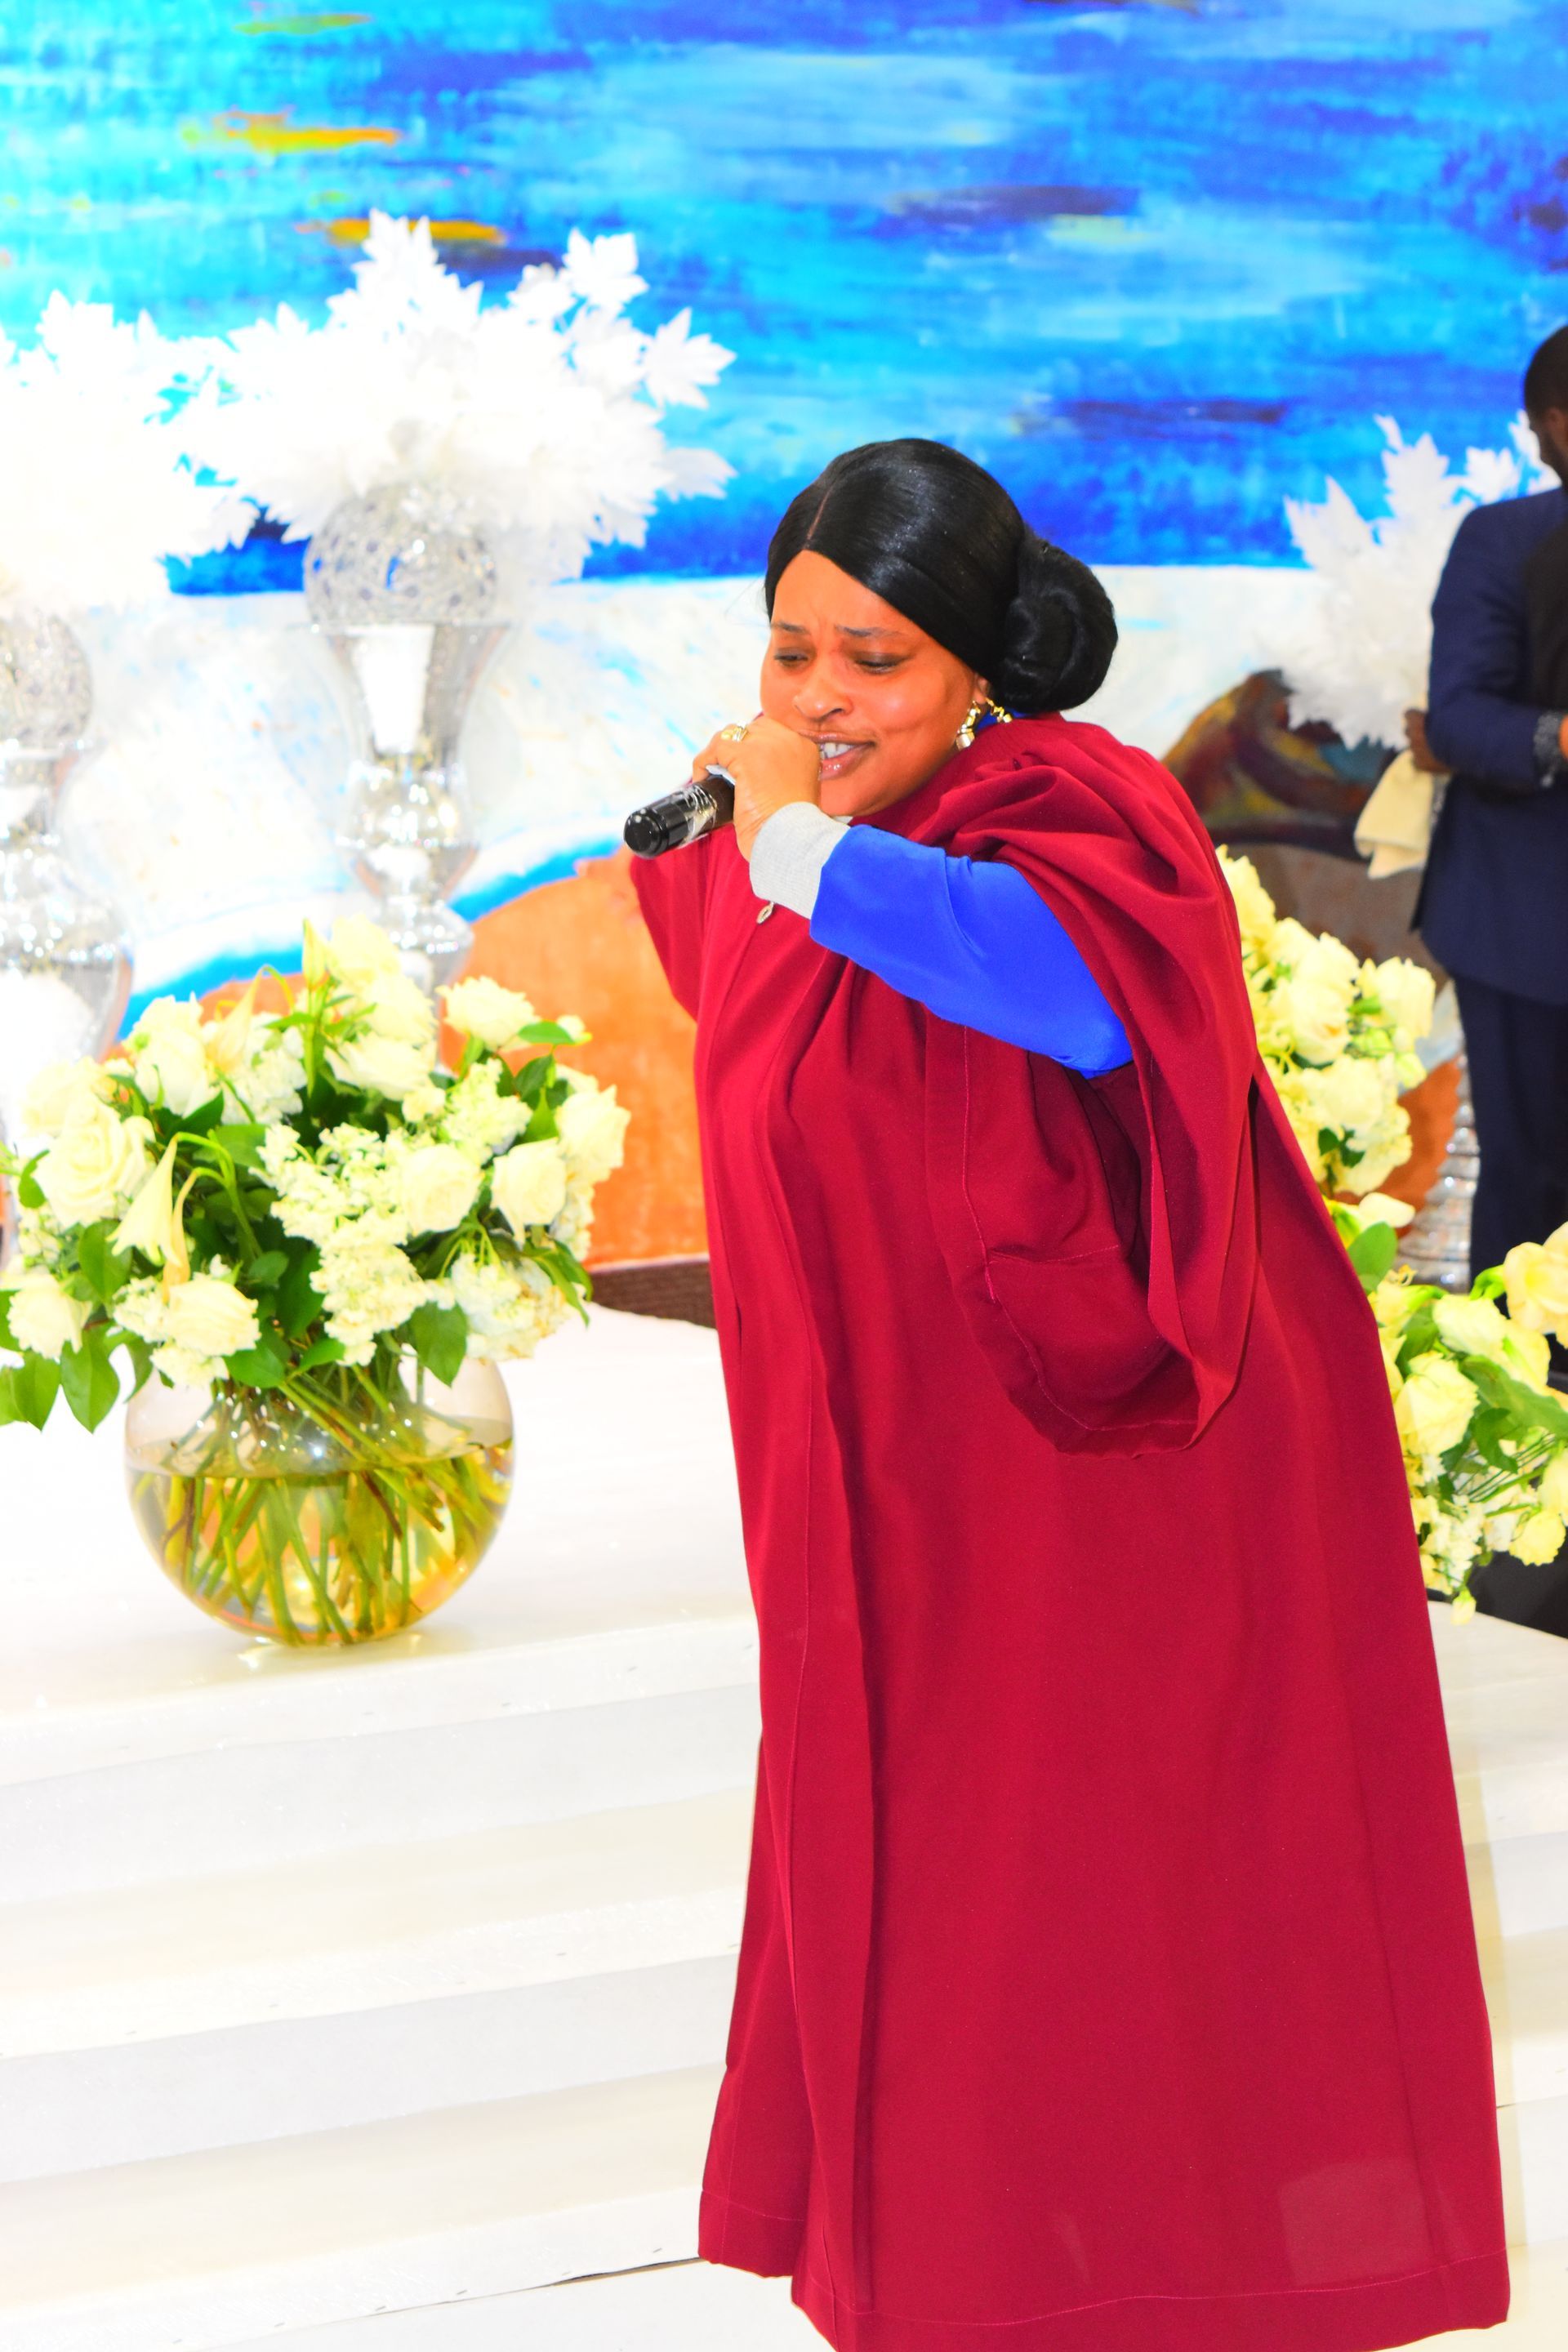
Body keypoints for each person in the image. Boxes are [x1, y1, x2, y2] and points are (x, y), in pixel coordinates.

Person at [633, 439, 1507, 2352]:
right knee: (945, 1879)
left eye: (873, 659)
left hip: (1104, 1460)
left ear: (971, 667)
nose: (821, 697)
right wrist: (747, 839)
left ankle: (1137, 2281)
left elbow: (1080, 998)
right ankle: (958, 2261)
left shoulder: (1071, 801)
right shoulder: (811, 826)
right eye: (790, 651)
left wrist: (798, 847)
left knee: (1076, 1892)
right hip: (899, 1453)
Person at [1413, 324, 1568, 1280]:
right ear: (1559, 425)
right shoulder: (1504, 541)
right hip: (1527, 926)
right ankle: (1515, 1364)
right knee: (1532, 1185)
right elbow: (1459, 720)